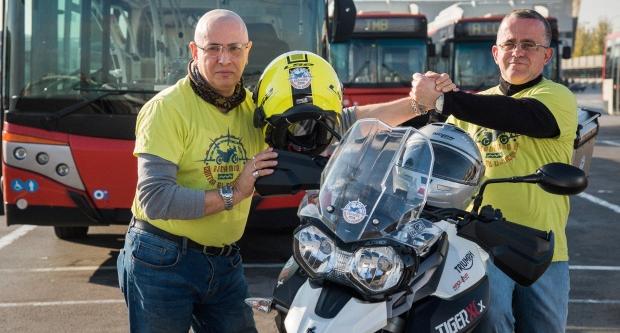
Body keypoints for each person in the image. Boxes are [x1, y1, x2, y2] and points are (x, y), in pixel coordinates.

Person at [116, 8, 455, 333]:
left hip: (224, 260)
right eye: (213, 48)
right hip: (161, 259)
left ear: (247, 51)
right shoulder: (167, 109)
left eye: (234, 49)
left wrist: (416, 105)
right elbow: (154, 199)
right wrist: (234, 192)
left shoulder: (251, 107)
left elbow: (340, 122)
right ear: (194, 50)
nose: (224, 59)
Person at [410, 9, 577, 333]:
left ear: (547, 55)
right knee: (488, 325)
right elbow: (433, 152)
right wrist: (427, 98)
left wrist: (447, 100)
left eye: (529, 44)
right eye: (510, 43)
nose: (518, 51)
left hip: (543, 248)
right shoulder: (469, 105)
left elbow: (519, 115)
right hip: (479, 245)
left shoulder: (558, 98)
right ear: (496, 52)